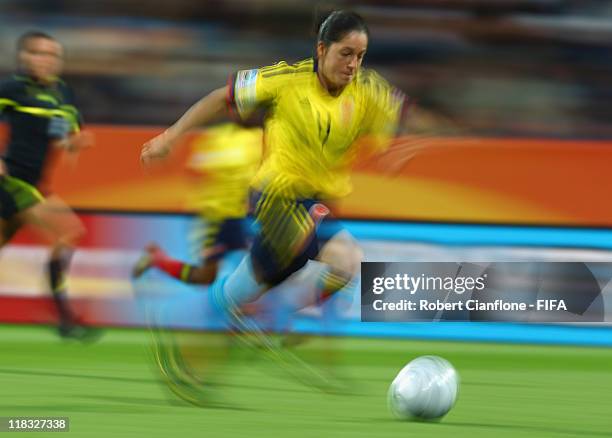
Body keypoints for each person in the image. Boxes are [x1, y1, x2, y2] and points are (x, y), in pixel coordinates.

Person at [0, 31, 97, 340]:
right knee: (68, 232)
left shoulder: (63, 94)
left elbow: (67, 131)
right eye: (39, 54)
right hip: (13, 180)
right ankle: (64, 317)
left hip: (37, 184)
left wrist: (75, 141)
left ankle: (64, 318)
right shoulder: (12, 88)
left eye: (53, 55)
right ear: (24, 57)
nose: (46, 60)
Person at [133, 123, 263, 285]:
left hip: (242, 217)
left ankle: (251, 302)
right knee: (205, 277)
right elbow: (195, 173)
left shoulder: (258, 136)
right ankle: (158, 260)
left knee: (266, 265)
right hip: (216, 220)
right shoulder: (216, 138)